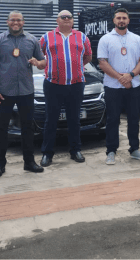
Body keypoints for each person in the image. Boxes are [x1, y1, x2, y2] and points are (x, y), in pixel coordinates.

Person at [0, 11, 46, 178]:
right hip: (4, 92)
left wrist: (38, 62)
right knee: (1, 129)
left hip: (26, 91)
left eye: (19, 20)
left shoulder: (32, 40)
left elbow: (43, 63)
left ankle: (29, 163)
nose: (15, 23)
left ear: (23, 22)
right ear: (7, 22)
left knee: (28, 128)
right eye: (12, 20)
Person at [39, 10, 93, 166]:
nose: (67, 19)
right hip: (53, 84)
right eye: (63, 17)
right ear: (57, 20)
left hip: (76, 84)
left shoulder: (82, 37)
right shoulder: (46, 37)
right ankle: (47, 153)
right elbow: (38, 54)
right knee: (51, 120)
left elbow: (88, 56)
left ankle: (75, 150)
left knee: (74, 119)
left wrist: (76, 66)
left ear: (73, 21)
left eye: (70, 17)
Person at [97, 8, 140, 165]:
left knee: (134, 118)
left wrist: (130, 75)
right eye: (118, 18)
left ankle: (134, 149)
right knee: (113, 119)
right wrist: (120, 77)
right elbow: (102, 62)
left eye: (124, 18)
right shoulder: (105, 39)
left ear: (128, 21)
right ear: (114, 20)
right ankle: (111, 151)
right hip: (112, 86)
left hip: (133, 85)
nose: (121, 20)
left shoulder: (136, 39)